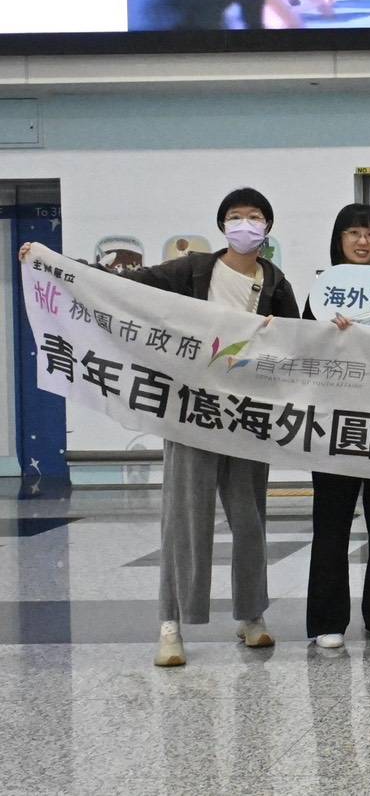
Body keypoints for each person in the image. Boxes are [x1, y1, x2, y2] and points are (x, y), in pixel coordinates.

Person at [18, 188, 297, 667]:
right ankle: (171, 624)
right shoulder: (193, 270)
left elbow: (299, 341)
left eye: (254, 217)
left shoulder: (274, 281)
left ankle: (251, 616)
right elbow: (123, 283)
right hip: (190, 413)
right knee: (185, 521)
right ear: (222, 225)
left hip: (247, 417)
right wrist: (55, 264)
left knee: (249, 521)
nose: (245, 224)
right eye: (235, 216)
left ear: (267, 227)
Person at [303, 205, 370, 649]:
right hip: (335, 425)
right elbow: (301, 356)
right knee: (332, 523)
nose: (363, 242)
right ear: (339, 239)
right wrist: (327, 334)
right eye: (353, 233)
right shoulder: (321, 296)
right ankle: (326, 620)